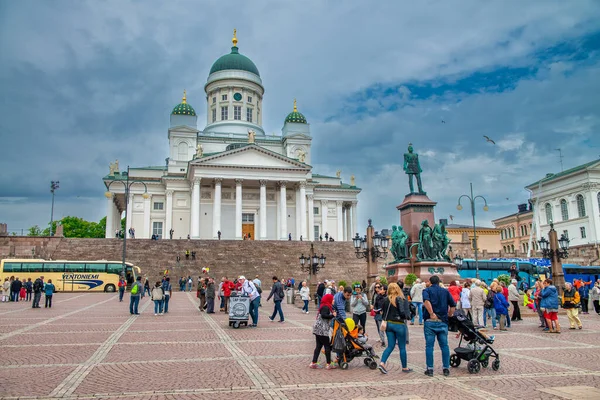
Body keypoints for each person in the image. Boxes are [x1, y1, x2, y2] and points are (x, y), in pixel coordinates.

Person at [422, 275, 456, 377]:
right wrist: (450, 315)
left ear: (430, 282)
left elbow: (426, 301)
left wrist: (431, 313)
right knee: (444, 346)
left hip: (430, 321)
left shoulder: (426, 291)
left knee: (429, 346)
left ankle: (430, 369)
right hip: (443, 321)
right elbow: (453, 305)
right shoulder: (445, 291)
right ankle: (446, 368)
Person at [378, 282, 412, 374]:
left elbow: (383, 313)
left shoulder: (385, 300)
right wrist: (407, 315)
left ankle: (382, 363)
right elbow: (402, 312)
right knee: (402, 347)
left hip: (388, 325)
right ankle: (404, 367)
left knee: (390, 346)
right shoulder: (400, 299)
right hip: (399, 324)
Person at [310, 293, 337, 369]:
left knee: (318, 346)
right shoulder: (325, 307)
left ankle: (313, 362)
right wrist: (332, 315)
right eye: (332, 299)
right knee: (327, 346)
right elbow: (324, 315)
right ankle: (328, 364)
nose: (333, 300)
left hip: (318, 329)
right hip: (322, 330)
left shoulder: (325, 305)